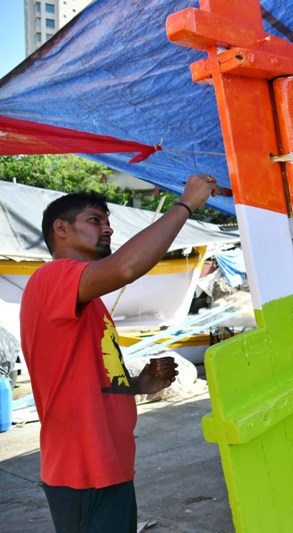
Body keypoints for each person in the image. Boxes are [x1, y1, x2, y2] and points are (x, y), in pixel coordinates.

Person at [19, 174, 219, 532]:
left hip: (107, 464)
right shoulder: (53, 277)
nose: (107, 229)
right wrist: (186, 204)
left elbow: (87, 378)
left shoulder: (88, 300)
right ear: (60, 229)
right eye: (95, 220)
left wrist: (138, 385)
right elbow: (127, 267)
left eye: (108, 222)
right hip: (82, 470)